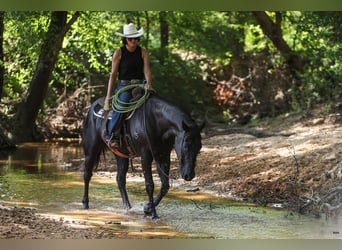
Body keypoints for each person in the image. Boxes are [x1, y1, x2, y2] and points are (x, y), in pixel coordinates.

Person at [103, 23, 153, 149]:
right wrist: (108, 96)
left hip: (140, 84)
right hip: (124, 85)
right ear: (125, 39)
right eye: (131, 39)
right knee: (121, 105)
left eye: (136, 38)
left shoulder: (143, 52)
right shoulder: (119, 53)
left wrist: (148, 83)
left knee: (154, 101)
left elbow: (147, 70)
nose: (134, 41)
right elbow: (113, 75)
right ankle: (112, 135)